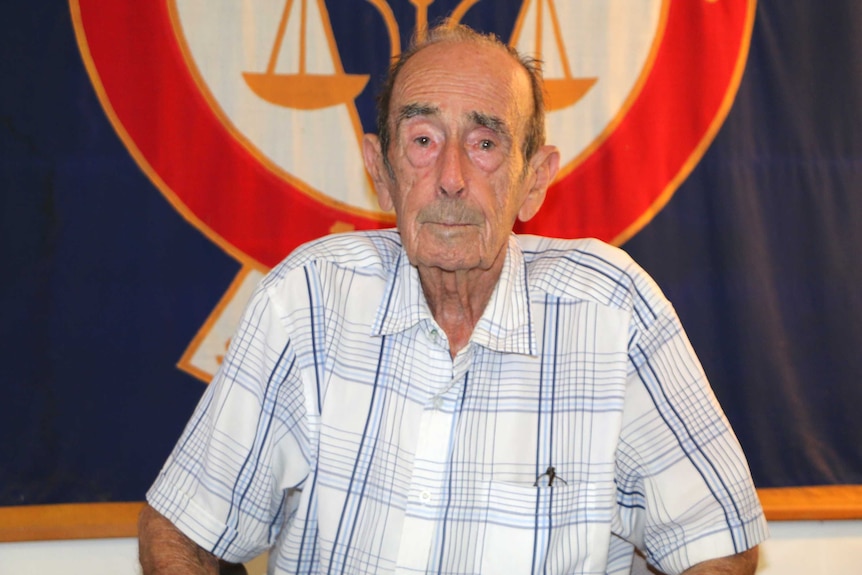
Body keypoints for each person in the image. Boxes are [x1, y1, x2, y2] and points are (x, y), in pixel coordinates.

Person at [138, 23, 767, 575]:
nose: (451, 179)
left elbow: (717, 540)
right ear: (380, 171)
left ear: (534, 182)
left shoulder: (614, 311)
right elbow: (180, 531)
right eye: (422, 140)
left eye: (485, 143)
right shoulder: (307, 299)